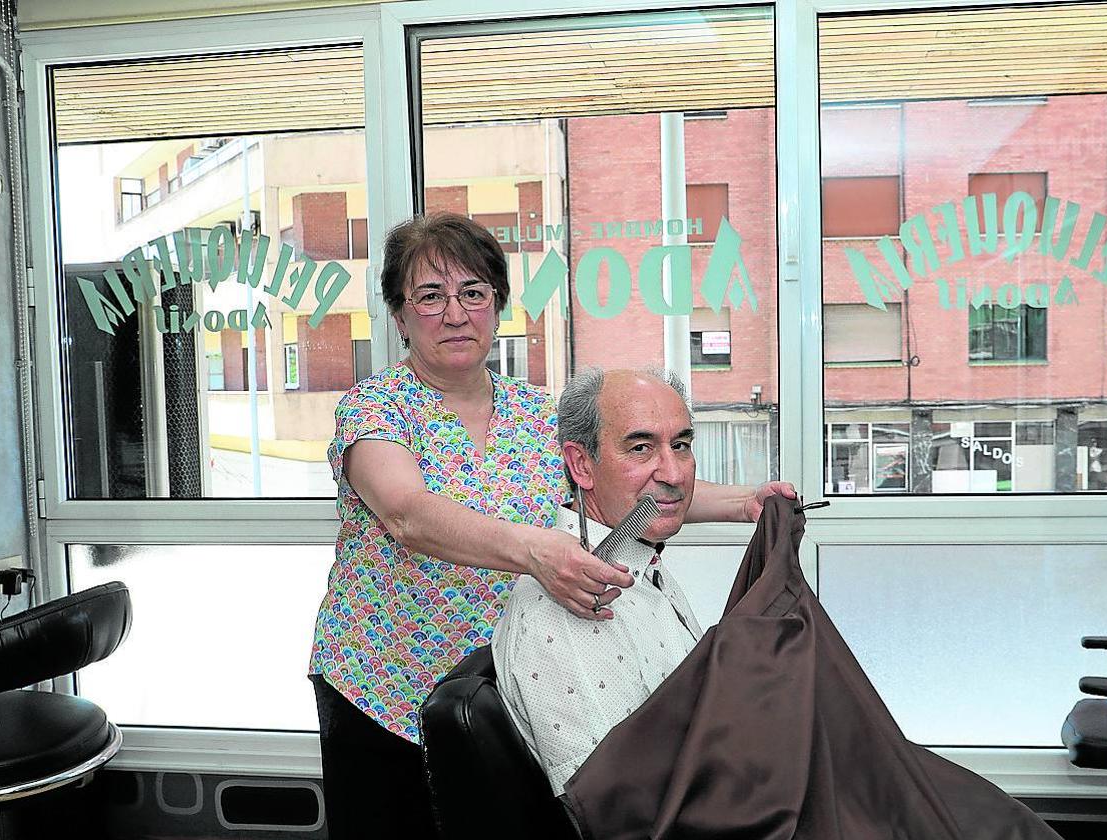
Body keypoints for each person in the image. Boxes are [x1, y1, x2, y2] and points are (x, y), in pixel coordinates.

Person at [308, 213, 793, 839]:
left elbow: (628, 483)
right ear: (399, 317)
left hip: (503, 688)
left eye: (474, 293)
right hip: (381, 684)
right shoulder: (374, 407)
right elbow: (408, 515)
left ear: (498, 305)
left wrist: (744, 502)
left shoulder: (539, 411)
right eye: (430, 296)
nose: (455, 314)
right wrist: (539, 551)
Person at [492, 366, 712, 795]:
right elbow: (621, 807)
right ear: (581, 465)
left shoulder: (637, 559)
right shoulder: (567, 609)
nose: (674, 474)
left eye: (681, 445)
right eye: (641, 448)